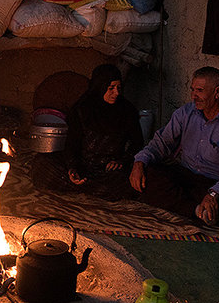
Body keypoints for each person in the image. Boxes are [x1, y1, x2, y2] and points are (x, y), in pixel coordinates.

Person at [130, 66, 219, 225]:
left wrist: (214, 194)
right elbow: (162, 142)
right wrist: (139, 162)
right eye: (192, 90)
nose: (194, 96)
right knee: (150, 175)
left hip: (214, 183)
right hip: (186, 173)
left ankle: (195, 207)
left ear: (218, 92)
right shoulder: (185, 113)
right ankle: (197, 211)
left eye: (200, 90)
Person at [31, 64, 142, 201]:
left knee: (125, 182)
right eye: (111, 88)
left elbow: (138, 143)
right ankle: (83, 185)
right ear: (100, 87)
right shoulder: (82, 109)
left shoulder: (127, 111)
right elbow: (71, 143)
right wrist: (73, 168)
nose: (116, 93)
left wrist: (121, 161)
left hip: (108, 171)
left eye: (119, 88)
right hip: (83, 164)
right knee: (42, 163)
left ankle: (85, 188)